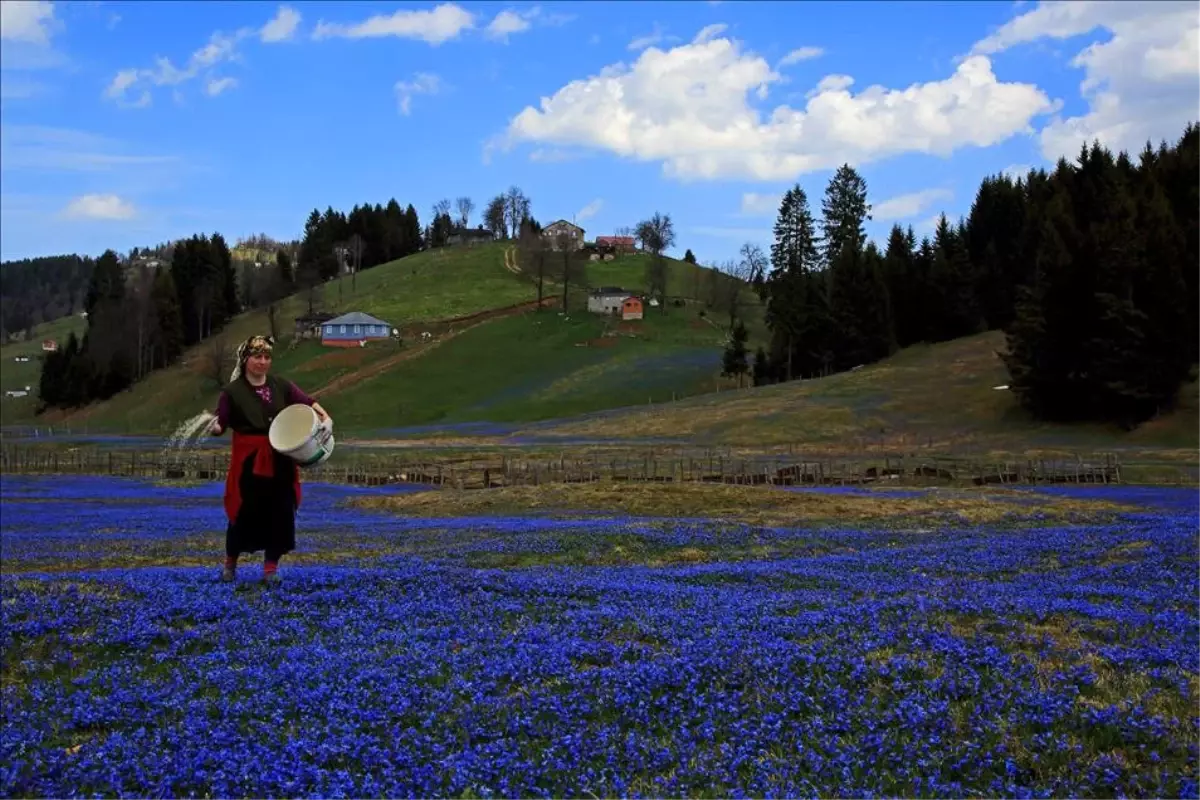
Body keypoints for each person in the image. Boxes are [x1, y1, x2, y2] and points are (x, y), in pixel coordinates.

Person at [209, 334, 331, 584]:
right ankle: (230, 564)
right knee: (243, 514)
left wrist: (326, 418)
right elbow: (220, 423)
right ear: (245, 360)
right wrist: (214, 427)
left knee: (281, 513)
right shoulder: (232, 392)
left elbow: (308, 402)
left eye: (266, 357)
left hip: (280, 459)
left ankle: (270, 569)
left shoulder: (280, 385)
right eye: (257, 357)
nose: (262, 362)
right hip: (250, 464)